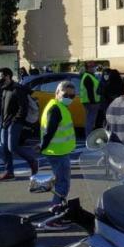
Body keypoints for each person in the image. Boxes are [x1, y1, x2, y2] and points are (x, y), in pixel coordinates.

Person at [39, 81, 76, 214]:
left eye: (72, 96)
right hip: (57, 152)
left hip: (59, 151)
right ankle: (55, 212)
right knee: (62, 184)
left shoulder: (58, 106)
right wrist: (42, 146)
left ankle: (58, 210)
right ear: (57, 93)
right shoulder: (56, 108)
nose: (69, 98)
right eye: (66, 95)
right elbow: (49, 131)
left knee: (61, 183)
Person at [0, 67, 39, 181]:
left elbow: (23, 107)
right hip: (5, 122)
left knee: (12, 147)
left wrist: (15, 121)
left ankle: (32, 161)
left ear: (8, 76)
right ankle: (9, 172)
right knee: (4, 149)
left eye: (1, 77)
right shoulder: (4, 89)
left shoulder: (17, 89)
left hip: (15, 123)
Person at [78, 64, 102, 138]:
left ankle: (90, 136)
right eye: (93, 67)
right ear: (88, 68)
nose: (94, 68)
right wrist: (93, 102)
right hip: (91, 102)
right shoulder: (88, 77)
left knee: (90, 120)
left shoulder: (89, 76)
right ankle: (89, 137)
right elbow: (90, 91)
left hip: (89, 101)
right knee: (90, 121)